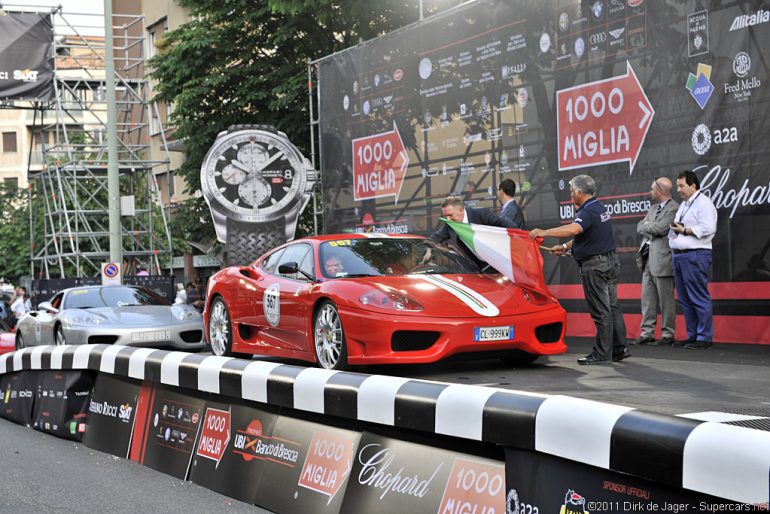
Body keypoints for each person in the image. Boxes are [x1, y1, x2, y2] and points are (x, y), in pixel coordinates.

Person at [529, 174, 629, 365]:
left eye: (572, 191)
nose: (570, 194)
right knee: (613, 308)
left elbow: (574, 230)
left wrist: (545, 232)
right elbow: (585, 236)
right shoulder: (598, 208)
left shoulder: (587, 211)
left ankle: (602, 353)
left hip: (596, 266)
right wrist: (566, 247)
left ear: (580, 192)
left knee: (601, 312)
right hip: (609, 263)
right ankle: (619, 349)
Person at [669, 169, 717, 349]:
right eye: (677, 186)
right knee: (684, 299)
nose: (678, 189)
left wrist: (685, 230)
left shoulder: (704, 203)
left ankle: (704, 337)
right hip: (680, 256)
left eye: (681, 186)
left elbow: (708, 228)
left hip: (695, 255)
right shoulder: (685, 205)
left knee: (698, 296)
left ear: (693, 185)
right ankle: (693, 335)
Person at [632, 177, 679, 346]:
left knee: (666, 300)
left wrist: (648, 225)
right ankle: (647, 333)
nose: (650, 192)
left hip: (663, 260)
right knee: (647, 299)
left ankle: (668, 334)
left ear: (660, 190)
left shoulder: (674, 208)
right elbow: (639, 226)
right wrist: (649, 225)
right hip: (647, 259)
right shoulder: (652, 208)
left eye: (652, 189)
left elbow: (661, 229)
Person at [429, 195, 516, 270]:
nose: (448, 219)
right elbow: (433, 239)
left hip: (502, 263)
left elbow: (510, 226)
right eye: (445, 216)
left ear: (461, 210)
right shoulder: (450, 225)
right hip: (481, 269)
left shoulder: (482, 214)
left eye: (450, 215)